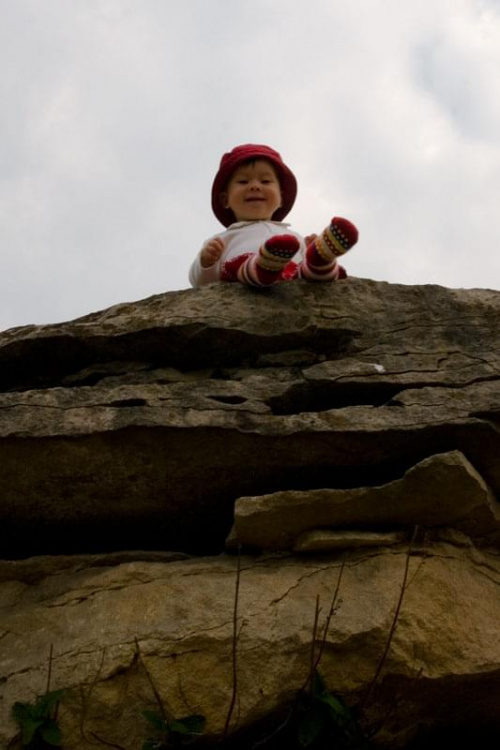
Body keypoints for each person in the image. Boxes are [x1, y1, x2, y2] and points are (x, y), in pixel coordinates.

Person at [189, 144, 358, 288]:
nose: (255, 186)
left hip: (293, 278)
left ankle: (319, 258)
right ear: (225, 199)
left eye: (265, 181)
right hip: (245, 276)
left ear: (281, 198)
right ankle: (262, 268)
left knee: (309, 272)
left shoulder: (293, 238)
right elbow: (200, 283)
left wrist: (308, 249)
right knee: (241, 266)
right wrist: (205, 261)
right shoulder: (223, 240)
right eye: (243, 182)